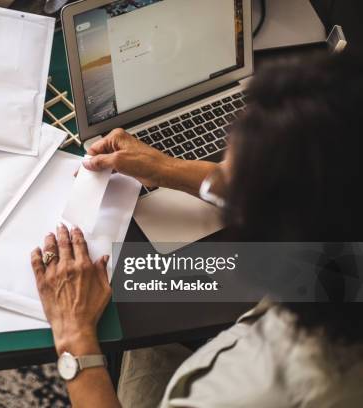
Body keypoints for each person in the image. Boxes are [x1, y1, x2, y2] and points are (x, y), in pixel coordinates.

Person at [30, 52, 363, 407]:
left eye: (234, 182)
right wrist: (166, 168)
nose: (220, 182)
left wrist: (74, 336)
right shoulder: (344, 242)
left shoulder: (252, 393)